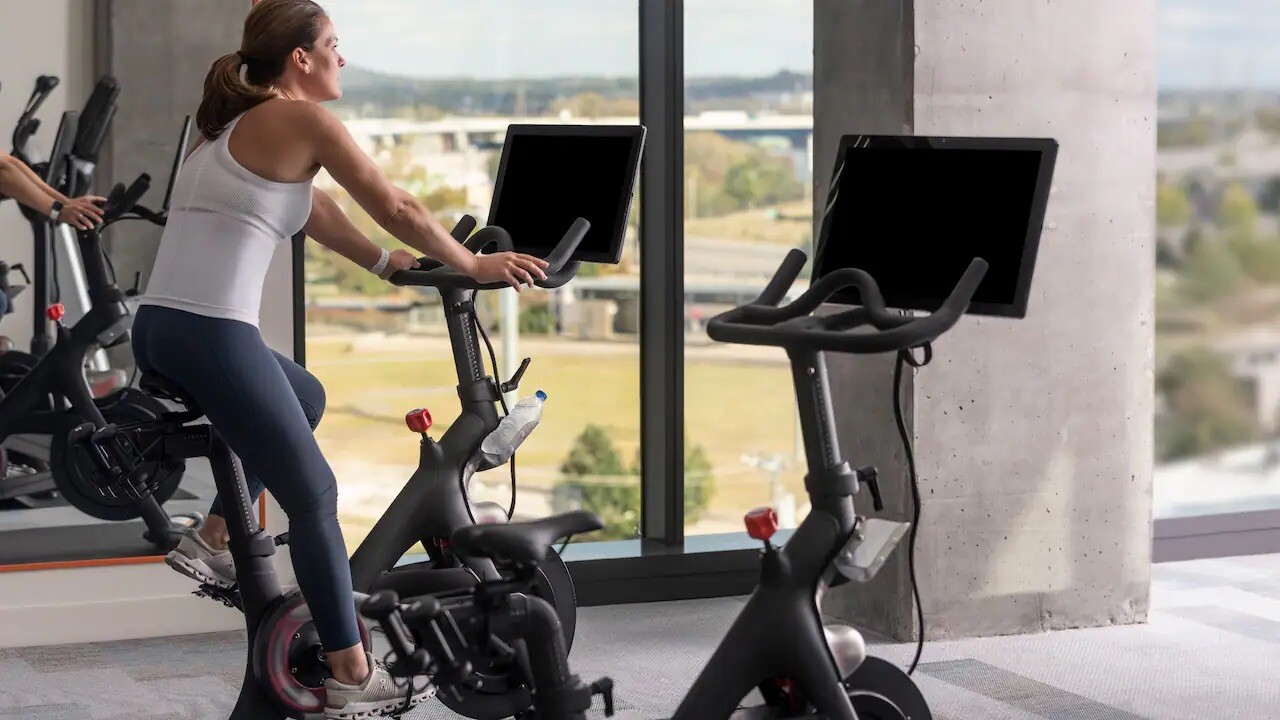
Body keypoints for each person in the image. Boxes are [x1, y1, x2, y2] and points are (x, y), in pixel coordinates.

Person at [129, 1, 548, 717]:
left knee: (308, 397)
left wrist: (387, 263)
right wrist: (471, 265)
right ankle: (350, 670)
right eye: (332, 45)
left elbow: (311, 207)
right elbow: (399, 203)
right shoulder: (302, 119)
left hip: (163, 327)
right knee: (315, 495)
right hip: (210, 333)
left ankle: (213, 538)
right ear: (301, 57)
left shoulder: (237, 124)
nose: (342, 58)